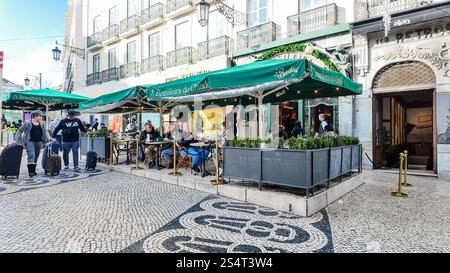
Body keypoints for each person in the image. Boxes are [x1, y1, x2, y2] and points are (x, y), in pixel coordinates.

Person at [12, 110, 51, 177]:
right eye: (40, 116)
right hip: (29, 142)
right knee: (31, 155)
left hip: (39, 142)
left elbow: (46, 131)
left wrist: (49, 137)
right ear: (35, 116)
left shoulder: (41, 123)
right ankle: (31, 172)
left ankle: (33, 170)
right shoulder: (27, 123)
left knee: (36, 156)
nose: (41, 117)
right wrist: (15, 139)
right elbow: (19, 131)